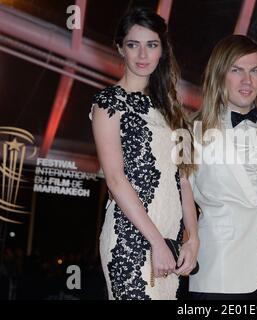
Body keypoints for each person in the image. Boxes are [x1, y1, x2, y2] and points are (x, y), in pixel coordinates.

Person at [90, 7, 199, 300]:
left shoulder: (176, 112)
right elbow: (114, 179)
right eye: (133, 45)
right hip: (131, 236)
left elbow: (185, 180)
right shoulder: (108, 102)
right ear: (120, 49)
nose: (142, 54)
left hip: (171, 235)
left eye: (151, 45)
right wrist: (156, 243)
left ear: (162, 51)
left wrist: (193, 238)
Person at [188, 35, 257, 299]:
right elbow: (179, 200)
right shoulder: (192, 131)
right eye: (236, 70)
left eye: (254, 71)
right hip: (218, 271)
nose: (247, 81)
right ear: (219, 74)